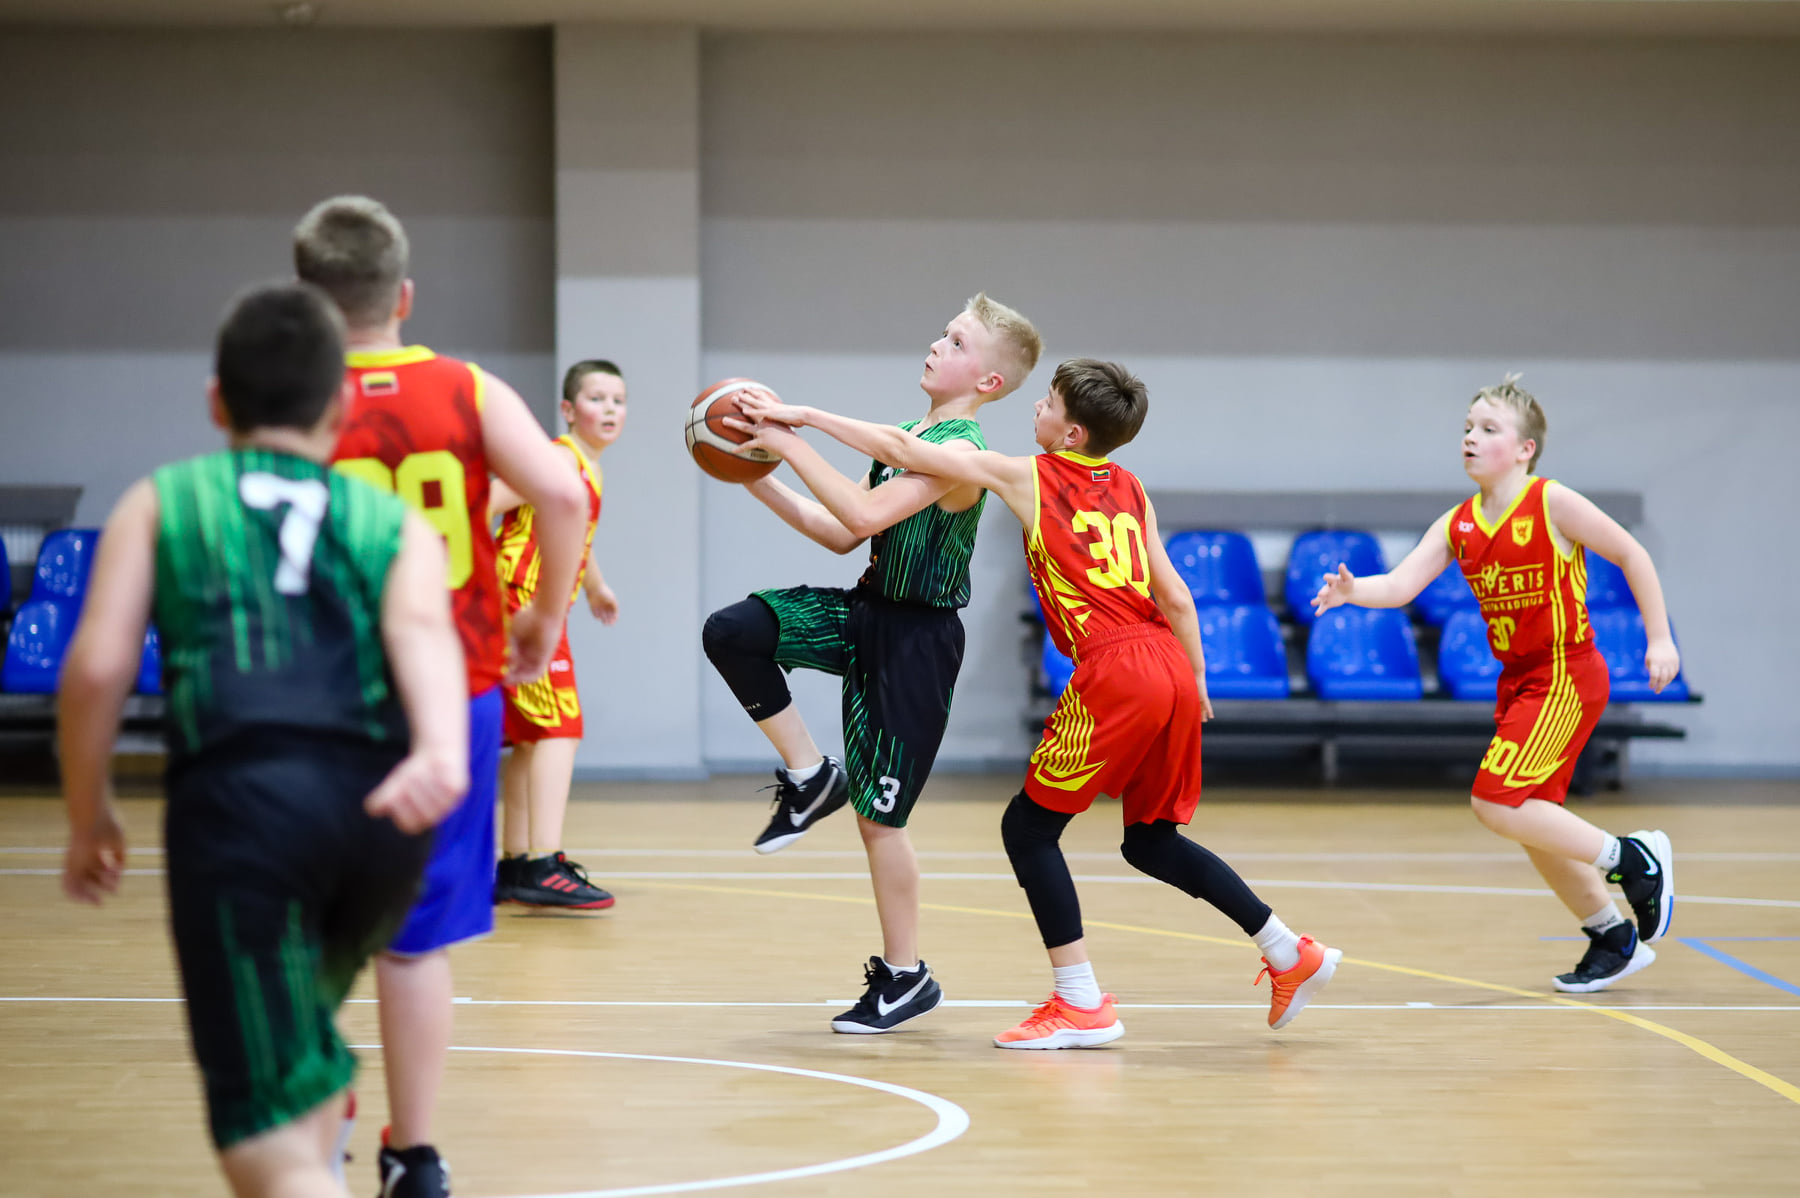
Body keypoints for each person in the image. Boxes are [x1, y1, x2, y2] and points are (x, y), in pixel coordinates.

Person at [733, 359, 1341, 1048]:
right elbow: (1175, 596)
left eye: (1048, 402)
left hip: (1117, 667)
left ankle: (1080, 1002)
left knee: (1027, 830)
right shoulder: (1132, 487)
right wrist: (1195, 679)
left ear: (1072, 433)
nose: (1036, 409)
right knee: (1150, 842)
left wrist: (803, 419)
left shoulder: (1031, 475)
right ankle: (1288, 950)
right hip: (1168, 663)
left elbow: (905, 449)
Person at [59, 281, 469, 1196]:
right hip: (379, 819)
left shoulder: (164, 501)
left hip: (246, 815)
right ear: (341, 407)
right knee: (298, 1050)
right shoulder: (389, 520)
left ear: (217, 401)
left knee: (263, 1145)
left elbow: (95, 670)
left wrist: (91, 815)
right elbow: (424, 635)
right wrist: (443, 754)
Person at [295, 195, 588, 1196]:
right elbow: (562, 491)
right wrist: (542, 616)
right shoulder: (467, 388)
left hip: (321, 697)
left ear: (307, 299)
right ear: (405, 295)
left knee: (305, 925)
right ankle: (412, 1154)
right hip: (449, 693)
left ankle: (315, 1122)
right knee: (413, 942)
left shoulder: (293, 395)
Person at [700, 293, 1041, 1033]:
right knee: (733, 631)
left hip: (918, 644)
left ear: (988, 382)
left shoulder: (961, 453)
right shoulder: (908, 435)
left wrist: (790, 435)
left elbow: (862, 516)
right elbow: (838, 532)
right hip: (864, 612)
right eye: (943, 333)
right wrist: (748, 471)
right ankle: (809, 775)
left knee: (880, 822)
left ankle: (905, 976)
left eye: (957, 342)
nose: (937, 344)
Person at [1312, 374, 1676, 993]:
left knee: (1495, 801)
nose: (1471, 438)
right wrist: (1353, 591)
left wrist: (1659, 638)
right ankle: (1612, 936)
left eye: (1488, 429)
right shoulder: (1458, 523)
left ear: (1525, 449)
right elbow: (1400, 585)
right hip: (1520, 681)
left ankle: (1632, 858)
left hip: (1565, 672)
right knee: (1531, 819)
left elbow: (1632, 555)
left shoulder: (1552, 502)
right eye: (1467, 428)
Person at [490, 359, 625, 909]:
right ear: (569, 410)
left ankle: (517, 864)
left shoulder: (588, 467)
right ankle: (545, 863)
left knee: (531, 738)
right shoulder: (556, 459)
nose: (610, 409)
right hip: (519, 603)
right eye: (597, 399)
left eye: (618, 400)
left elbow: (574, 535)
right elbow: (486, 501)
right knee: (559, 729)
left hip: (533, 606)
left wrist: (595, 586)